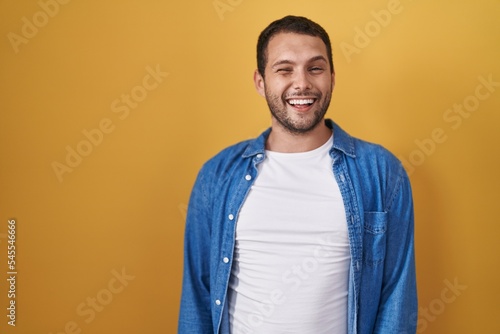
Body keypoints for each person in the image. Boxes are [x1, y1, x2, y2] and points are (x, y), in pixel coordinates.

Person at [178, 15, 417, 334]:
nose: (302, 83)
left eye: (315, 68)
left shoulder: (382, 172)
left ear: (332, 77)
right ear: (261, 82)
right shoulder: (217, 175)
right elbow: (198, 295)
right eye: (284, 69)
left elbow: (396, 299)